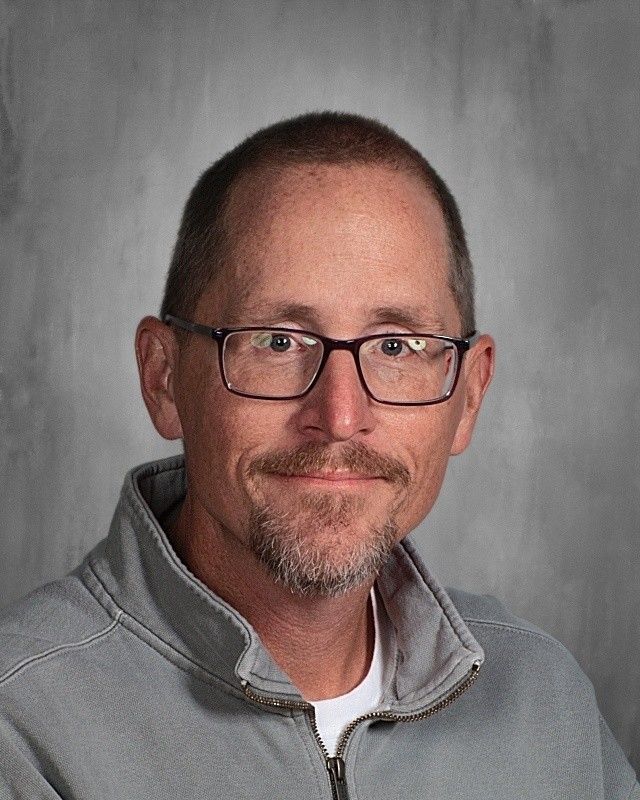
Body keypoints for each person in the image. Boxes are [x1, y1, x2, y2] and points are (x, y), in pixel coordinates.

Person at [0, 112, 637, 800]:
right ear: (164, 378)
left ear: (469, 394)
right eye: (277, 341)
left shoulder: (548, 705)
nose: (338, 418)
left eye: (396, 347)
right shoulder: (25, 726)